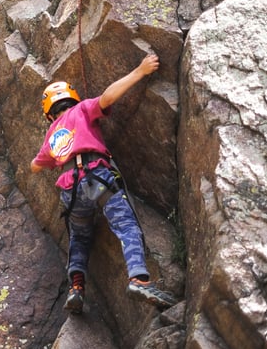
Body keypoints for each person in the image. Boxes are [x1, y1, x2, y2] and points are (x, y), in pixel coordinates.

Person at [30, 54, 177, 314]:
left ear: (49, 114)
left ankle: (76, 288)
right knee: (126, 225)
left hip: (70, 190)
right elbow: (107, 98)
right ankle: (139, 280)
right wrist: (140, 71)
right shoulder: (81, 109)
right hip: (96, 177)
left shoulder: (51, 134)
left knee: (79, 237)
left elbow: (36, 165)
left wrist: (54, 158)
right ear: (71, 98)